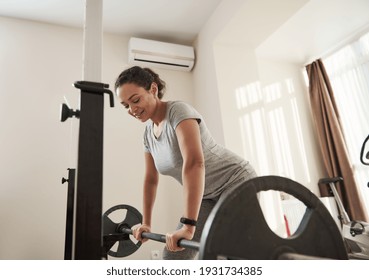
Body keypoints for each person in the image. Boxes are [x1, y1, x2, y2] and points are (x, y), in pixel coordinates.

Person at [114, 66, 257, 259]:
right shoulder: (148, 134)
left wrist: (188, 225)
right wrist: (146, 222)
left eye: (136, 100)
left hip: (235, 182)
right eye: (126, 106)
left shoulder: (178, 112)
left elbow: (194, 163)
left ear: (153, 90)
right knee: (174, 256)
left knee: (230, 253)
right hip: (206, 194)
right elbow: (150, 179)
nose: (132, 110)